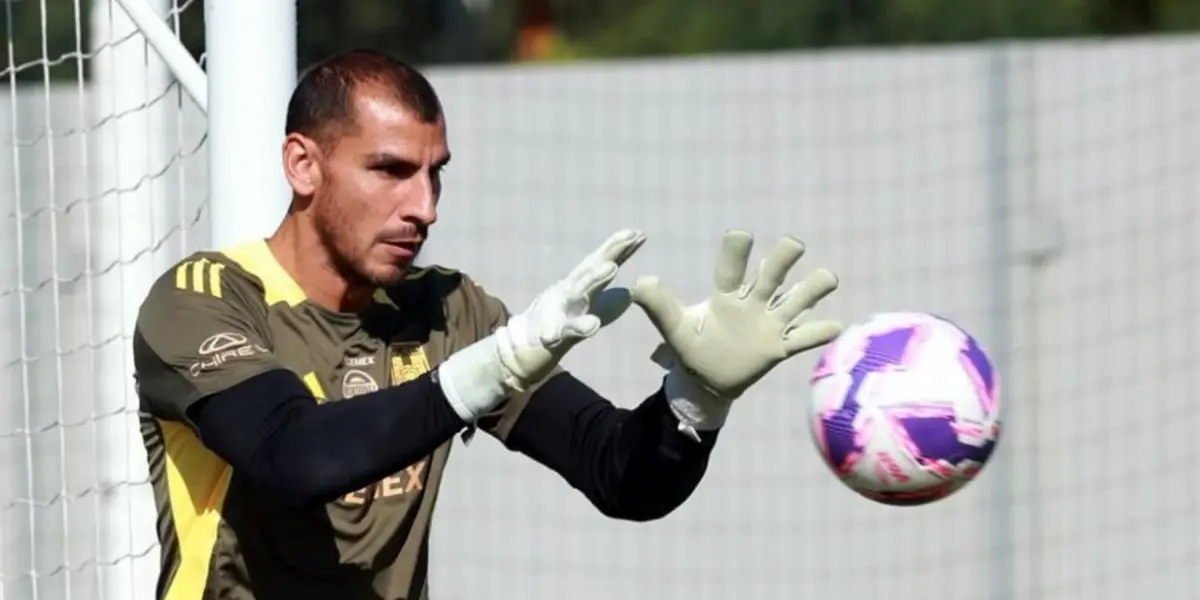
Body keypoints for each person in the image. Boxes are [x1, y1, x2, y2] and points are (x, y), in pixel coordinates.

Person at [132, 49, 844, 600]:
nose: (424, 207)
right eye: (390, 170)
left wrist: (695, 404)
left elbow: (617, 473)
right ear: (303, 165)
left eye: (435, 173)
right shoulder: (203, 300)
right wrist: (497, 364)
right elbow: (295, 458)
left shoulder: (446, 310)